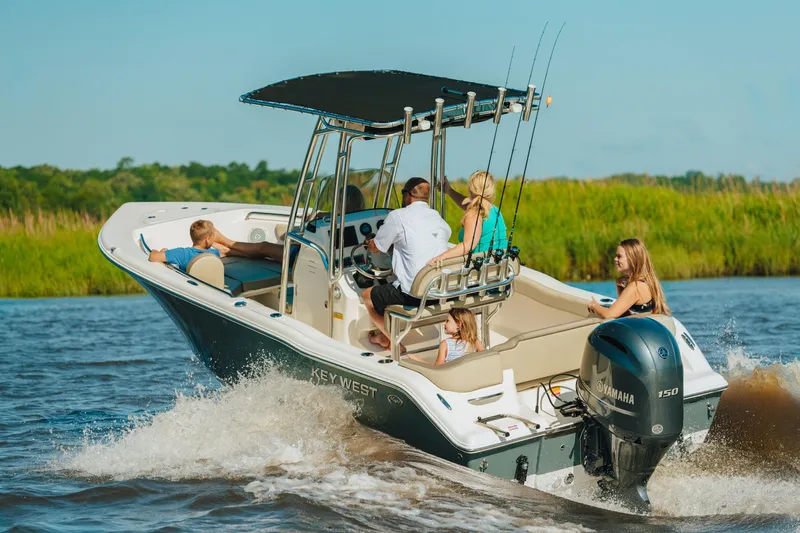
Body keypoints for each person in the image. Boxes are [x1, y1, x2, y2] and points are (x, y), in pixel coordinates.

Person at [363, 177, 451, 350]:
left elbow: (377, 248)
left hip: (414, 296)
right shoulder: (436, 217)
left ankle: (394, 342)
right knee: (390, 287)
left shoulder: (398, 216)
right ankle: (384, 337)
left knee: (367, 296)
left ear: (408, 195)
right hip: (439, 292)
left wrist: (369, 243)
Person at [212, 184, 366, 263]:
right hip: (311, 256)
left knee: (263, 247)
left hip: (302, 259)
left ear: (342, 203)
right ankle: (228, 251)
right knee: (265, 251)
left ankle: (225, 241)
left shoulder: (333, 224)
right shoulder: (359, 220)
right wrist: (322, 214)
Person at [428, 171, 508, 265]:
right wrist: (449, 191)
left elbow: (467, 245)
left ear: (470, 188)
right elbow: (467, 203)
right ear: (491, 190)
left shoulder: (474, 214)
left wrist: (441, 256)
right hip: (499, 264)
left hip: (481, 267)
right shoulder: (494, 210)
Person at [588, 238, 671, 318]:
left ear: (632, 259)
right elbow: (626, 313)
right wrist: (619, 288)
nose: (615, 259)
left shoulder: (635, 287)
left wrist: (595, 306)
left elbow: (608, 315)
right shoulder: (646, 282)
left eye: (619, 256)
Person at [407, 308, 485, 365]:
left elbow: (438, 369)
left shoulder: (446, 344)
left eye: (447, 321)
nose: (444, 323)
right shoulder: (475, 342)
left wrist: (417, 360)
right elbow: (485, 358)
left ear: (458, 325)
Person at [148, 219, 225, 271]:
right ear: (207, 239)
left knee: (165, 252)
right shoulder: (214, 253)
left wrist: (156, 251)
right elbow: (225, 251)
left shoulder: (183, 253)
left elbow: (153, 257)